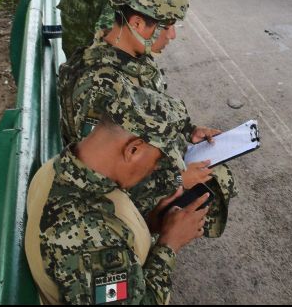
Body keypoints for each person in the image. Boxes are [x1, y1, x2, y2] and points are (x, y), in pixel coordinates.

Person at [58, 0, 236, 236]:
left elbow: (146, 110)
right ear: (137, 23)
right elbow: (106, 185)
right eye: (167, 26)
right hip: (129, 216)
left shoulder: (130, 55)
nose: (173, 35)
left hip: (156, 172)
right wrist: (177, 181)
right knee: (213, 180)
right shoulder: (100, 88)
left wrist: (188, 130)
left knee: (215, 171)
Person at [25, 84, 210, 305]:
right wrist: (169, 245)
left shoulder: (58, 168)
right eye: (158, 159)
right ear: (133, 150)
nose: (155, 168)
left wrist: (148, 225)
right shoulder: (91, 239)